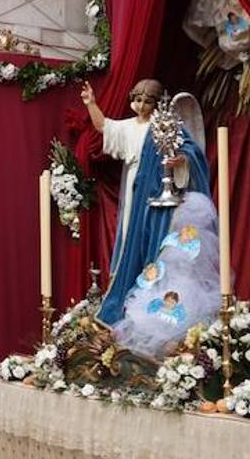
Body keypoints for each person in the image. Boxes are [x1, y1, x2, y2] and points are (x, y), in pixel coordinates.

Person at [81, 80, 211, 325]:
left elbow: (190, 152)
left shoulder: (164, 125)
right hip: (135, 189)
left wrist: (180, 161)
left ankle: (157, 295)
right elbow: (102, 126)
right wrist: (91, 103)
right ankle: (131, 292)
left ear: (156, 103)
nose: (141, 105)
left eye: (148, 101)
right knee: (133, 236)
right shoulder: (129, 127)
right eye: (138, 100)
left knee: (155, 237)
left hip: (160, 194)